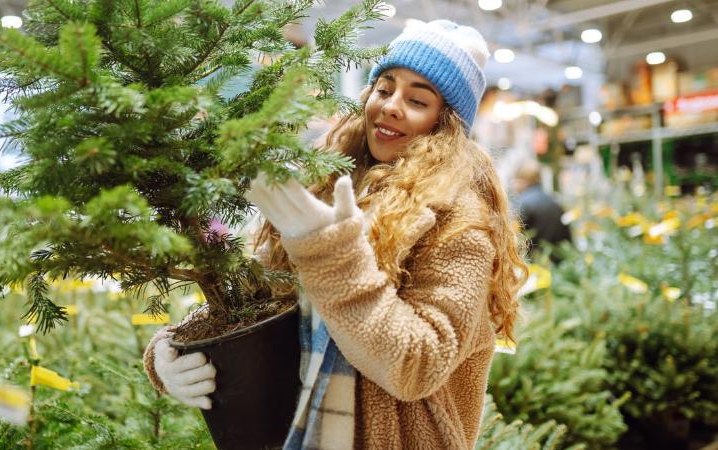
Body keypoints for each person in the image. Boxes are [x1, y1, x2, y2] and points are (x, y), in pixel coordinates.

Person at [143, 20, 527, 450]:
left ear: (446, 125)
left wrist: (331, 255)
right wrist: (168, 352)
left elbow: (417, 365)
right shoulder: (330, 185)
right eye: (384, 89)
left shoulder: (460, 225)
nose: (392, 106)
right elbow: (257, 301)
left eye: (417, 99)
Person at [511, 159, 572, 259]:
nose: (514, 185)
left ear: (524, 181)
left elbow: (515, 238)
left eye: (516, 181)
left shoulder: (522, 203)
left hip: (536, 265)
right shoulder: (554, 201)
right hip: (557, 261)